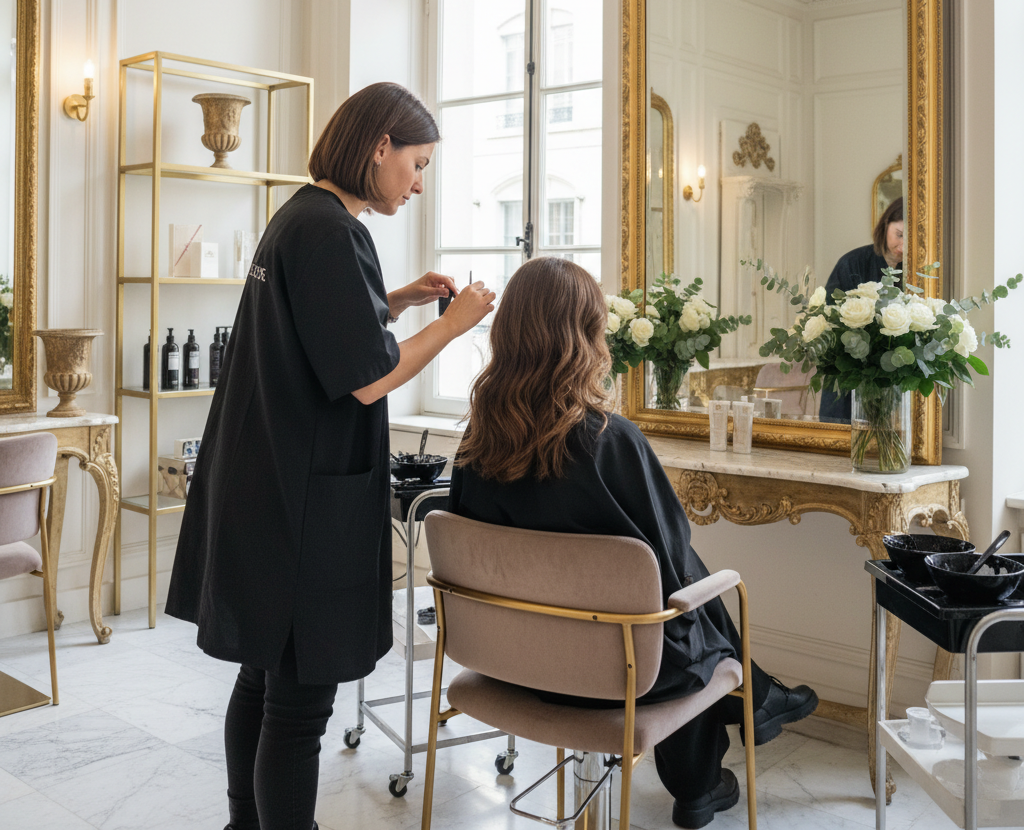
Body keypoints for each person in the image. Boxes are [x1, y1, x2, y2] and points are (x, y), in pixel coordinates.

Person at [165, 83, 496, 830]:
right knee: (300, 702)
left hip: (268, 484)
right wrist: (455, 325)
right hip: (299, 503)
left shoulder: (303, 217)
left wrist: (398, 299)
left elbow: (322, 331)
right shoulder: (330, 231)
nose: (418, 182)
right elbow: (367, 377)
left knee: (264, 677)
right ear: (379, 146)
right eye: (417, 162)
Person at [450, 257, 818, 830]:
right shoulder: (609, 441)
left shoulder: (475, 445)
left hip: (512, 664)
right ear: (585, 335)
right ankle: (724, 746)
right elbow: (672, 569)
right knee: (689, 602)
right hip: (617, 676)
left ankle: (747, 715)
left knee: (671, 604)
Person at [818, 196, 904, 422]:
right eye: (900, 235)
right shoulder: (852, 263)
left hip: (894, 383)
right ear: (886, 224)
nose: (903, 247)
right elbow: (829, 318)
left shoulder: (918, 272)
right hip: (847, 378)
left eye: (912, 239)